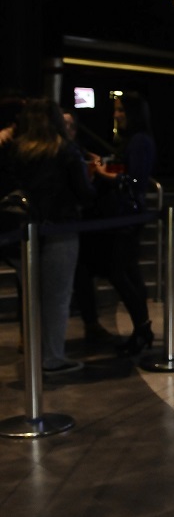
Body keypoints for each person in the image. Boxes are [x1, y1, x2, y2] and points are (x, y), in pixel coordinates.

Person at [8, 98, 94, 374]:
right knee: (56, 298)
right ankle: (52, 358)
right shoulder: (65, 150)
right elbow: (84, 194)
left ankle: (34, 357)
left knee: (31, 298)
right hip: (60, 230)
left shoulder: (15, 151)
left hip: (22, 234)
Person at [77, 92, 156, 352]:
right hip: (124, 217)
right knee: (126, 273)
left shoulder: (140, 141)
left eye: (121, 110)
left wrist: (102, 173)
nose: (116, 114)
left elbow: (134, 182)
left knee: (120, 273)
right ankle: (142, 330)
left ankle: (143, 329)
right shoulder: (132, 141)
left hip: (128, 219)